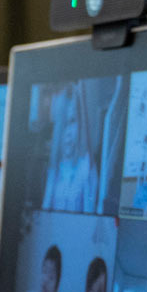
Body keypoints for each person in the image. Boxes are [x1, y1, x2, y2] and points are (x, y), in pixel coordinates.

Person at [42, 84, 99, 213]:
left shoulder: (86, 168)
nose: (67, 133)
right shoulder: (54, 171)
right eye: (64, 125)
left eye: (72, 121)